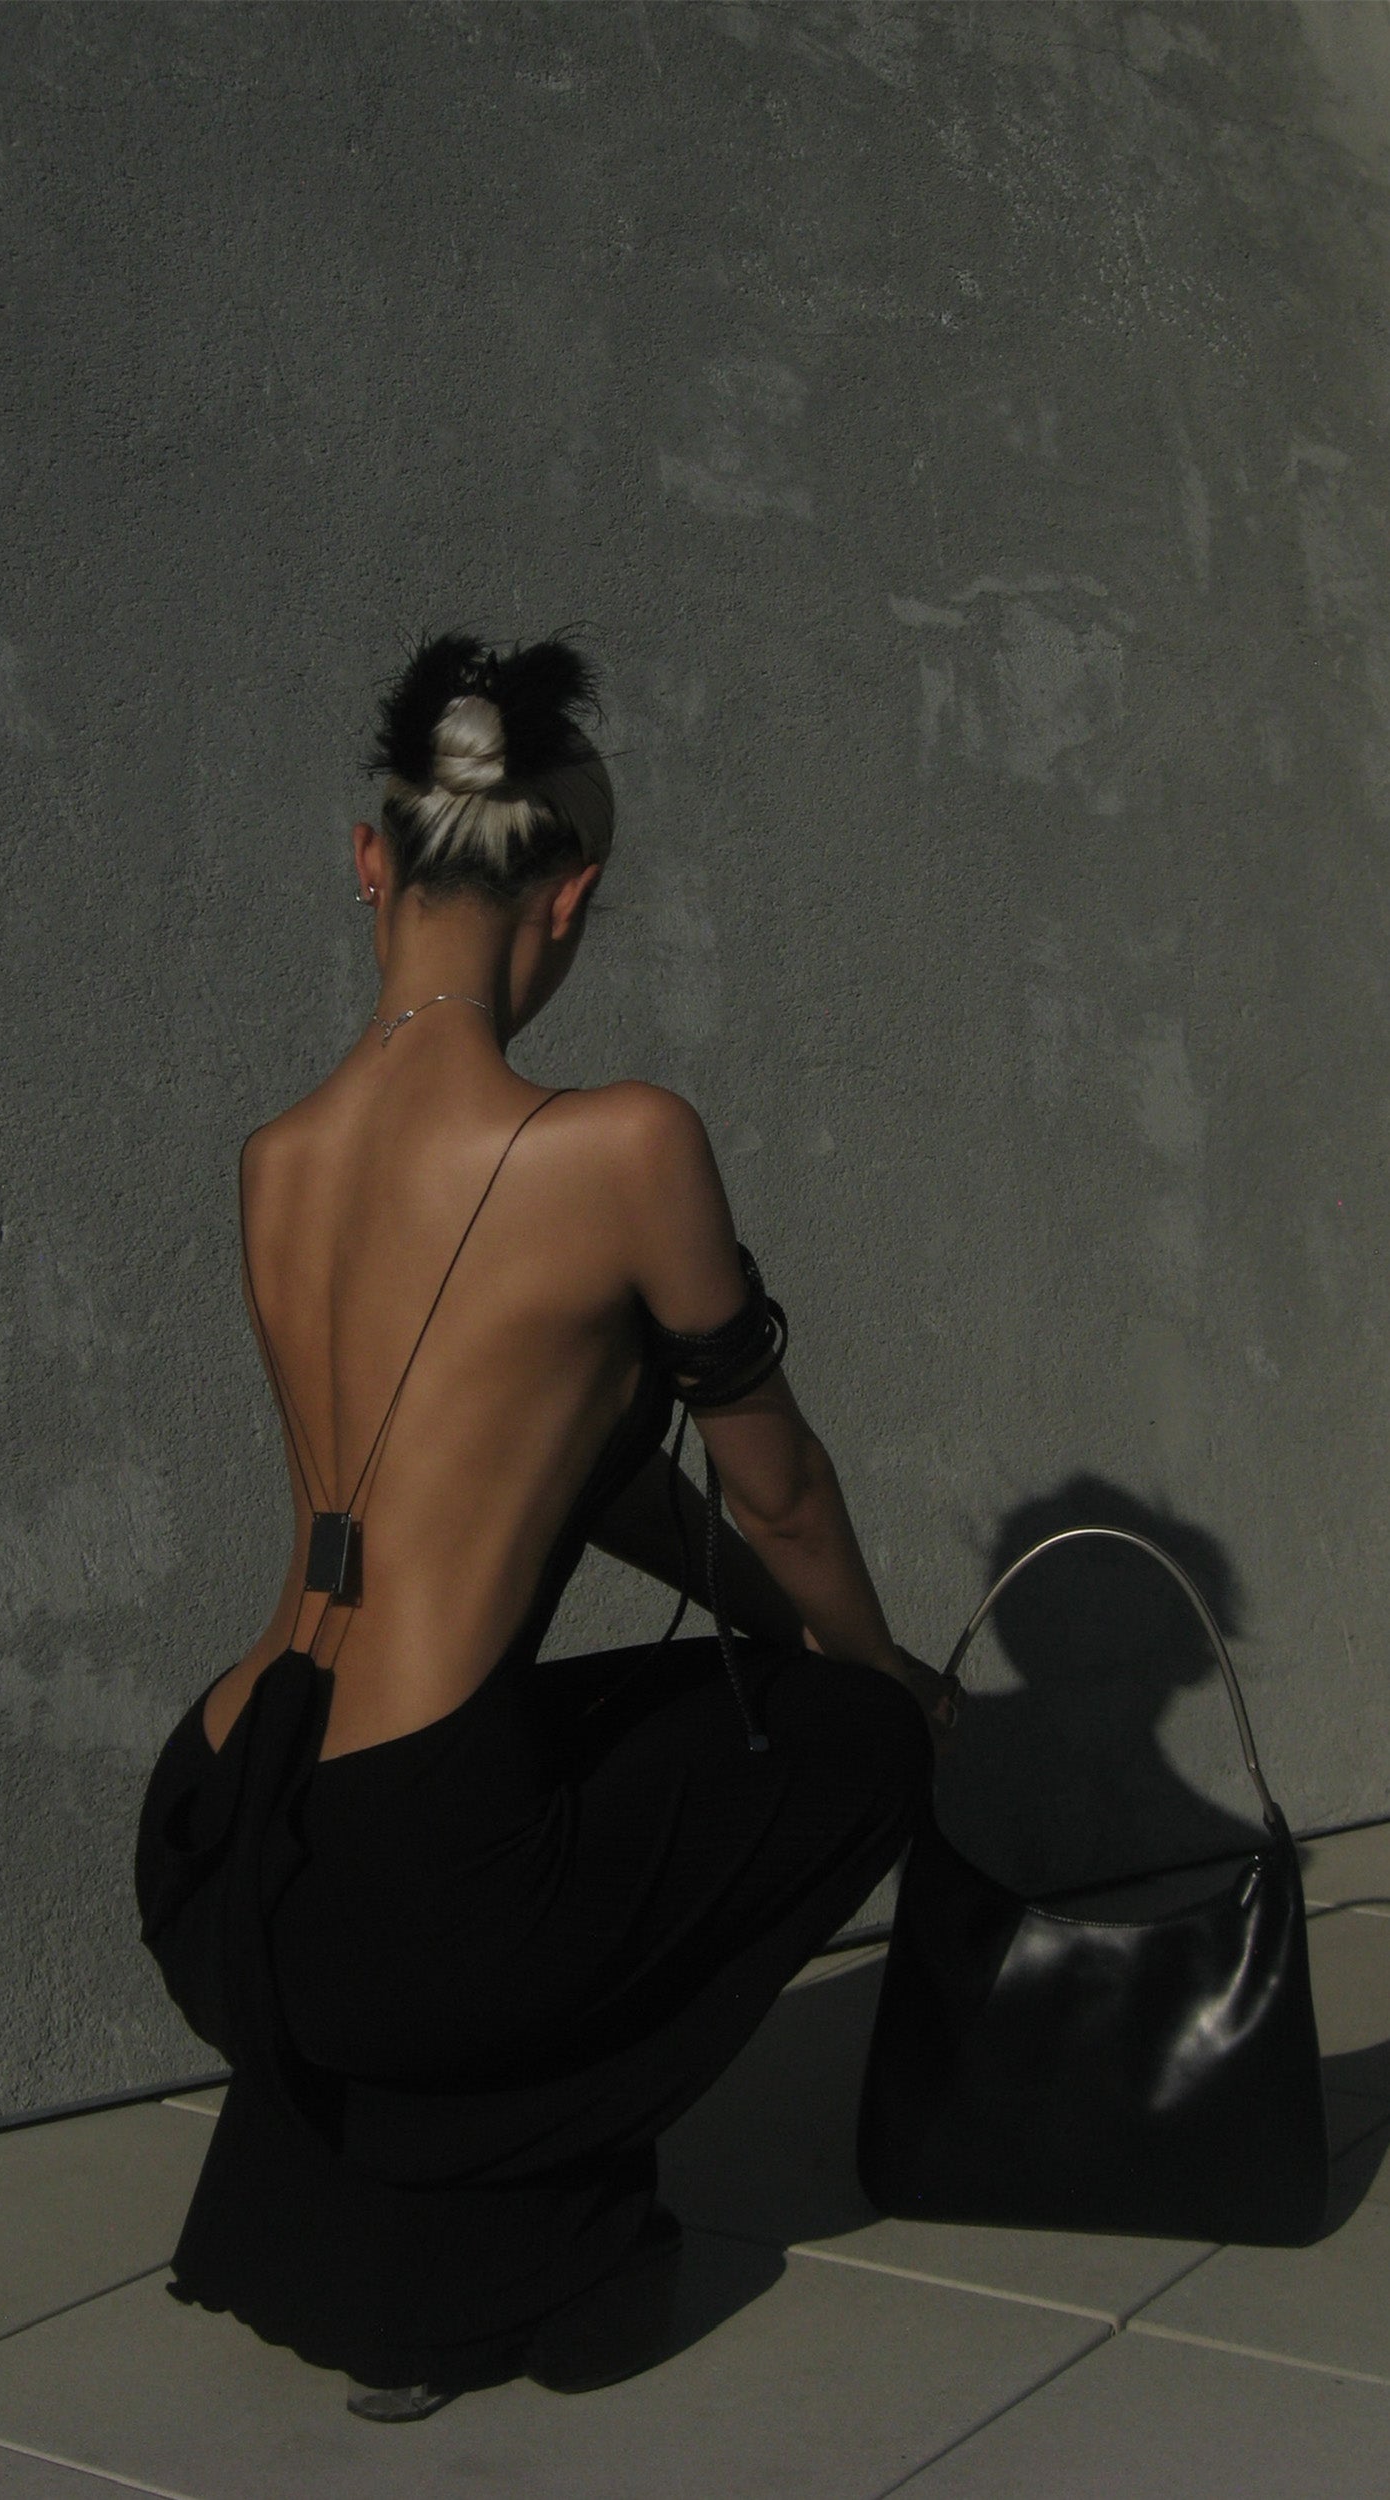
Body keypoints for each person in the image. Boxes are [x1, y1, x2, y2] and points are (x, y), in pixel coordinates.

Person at [134, 632, 957, 2422]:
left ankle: (382, 2200)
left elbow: (574, 1482)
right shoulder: (622, 1144)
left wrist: (760, 1621)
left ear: (369, 859)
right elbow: (779, 1483)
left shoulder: (275, 1160)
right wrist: (877, 1670)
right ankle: (505, 2219)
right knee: (861, 1743)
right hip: (417, 1908)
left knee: (596, 1738)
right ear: (568, 898)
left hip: (216, 1850)